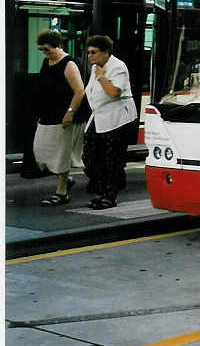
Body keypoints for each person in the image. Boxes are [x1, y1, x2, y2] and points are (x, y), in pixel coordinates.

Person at [81, 35, 137, 210]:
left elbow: (114, 93)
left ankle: (109, 196)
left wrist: (101, 77)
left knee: (111, 158)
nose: (90, 56)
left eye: (93, 52)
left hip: (117, 117)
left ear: (105, 52)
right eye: (88, 52)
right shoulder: (96, 67)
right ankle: (103, 188)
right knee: (89, 156)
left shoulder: (118, 67)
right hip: (99, 116)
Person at [33, 29, 85, 206]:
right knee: (40, 150)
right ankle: (67, 179)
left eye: (47, 49)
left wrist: (70, 112)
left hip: (64, 115)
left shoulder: (69, 64)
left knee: (61, 154)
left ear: (59, 46)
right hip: (48, 114)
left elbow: (79, 90)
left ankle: (62, 192)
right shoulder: (47, 61)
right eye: (42, 49)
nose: (45, 53)